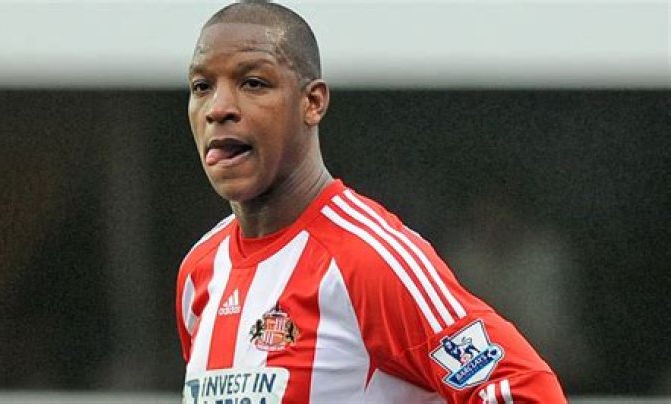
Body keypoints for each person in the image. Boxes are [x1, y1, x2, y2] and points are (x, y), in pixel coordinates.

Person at [176, 1, 566, 402]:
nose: (218, 109)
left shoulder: (368, 259)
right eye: (202, 86)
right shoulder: (199, 271)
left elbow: (526, 390)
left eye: (253, 83)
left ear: (313, 103)